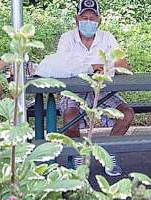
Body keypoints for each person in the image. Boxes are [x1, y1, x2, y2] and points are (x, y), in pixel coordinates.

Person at [57, 0, 134, 176]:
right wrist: (93, 66)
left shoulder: (107, 37)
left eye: (92, 18)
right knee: (70, 118)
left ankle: (109, 154)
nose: (88, 21)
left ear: (99, 20)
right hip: (74, 90)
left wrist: (108, 67)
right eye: (85, 17)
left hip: (102, 90)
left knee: (127, 114)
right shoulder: (66, 38)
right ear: (77, 19)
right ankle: (78, 155)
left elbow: (124, 64)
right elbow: (62, 65)